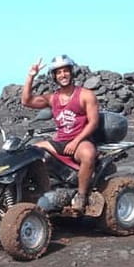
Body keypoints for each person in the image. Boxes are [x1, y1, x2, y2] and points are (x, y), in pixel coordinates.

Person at [21, 55, 99, 211]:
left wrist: (76, 141)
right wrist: (31, 76)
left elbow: (93, 122)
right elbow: (26, 101)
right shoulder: (52, 98)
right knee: (30, 152)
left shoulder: (85, 95)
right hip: (60, 141)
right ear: (54, 76)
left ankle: (81, 195)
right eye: (59, 72)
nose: (63, 75)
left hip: (80, 141)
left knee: (88, 154)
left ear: (71, 72)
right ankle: (41, 191)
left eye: (65, 71)